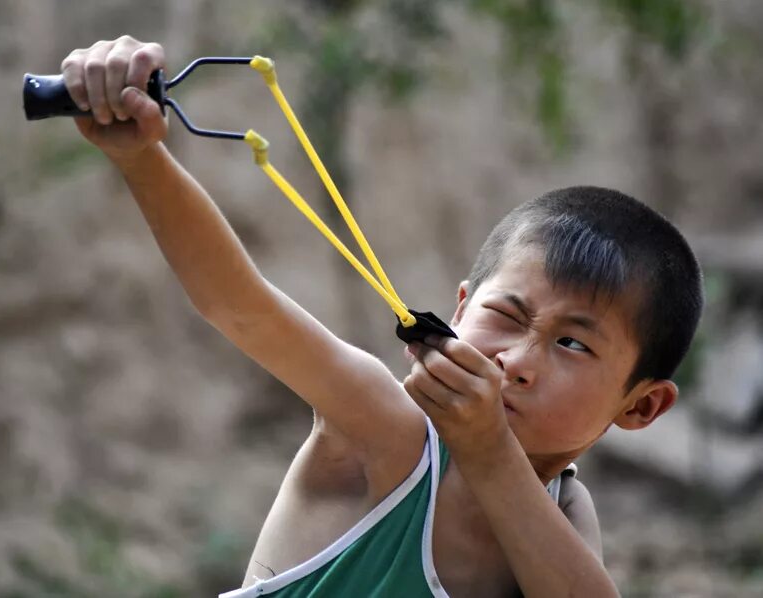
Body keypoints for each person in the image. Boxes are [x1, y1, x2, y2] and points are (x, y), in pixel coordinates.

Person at [59, 36, 703, 597]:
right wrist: (143, 160)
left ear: (641, 407)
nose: (517, 361)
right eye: (505, 316)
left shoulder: (565, 511)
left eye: (571, 343)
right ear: (459, 308)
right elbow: (240, 308)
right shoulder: (385, 429)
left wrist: (489, 450)